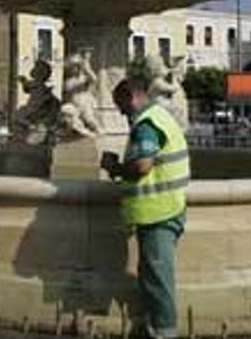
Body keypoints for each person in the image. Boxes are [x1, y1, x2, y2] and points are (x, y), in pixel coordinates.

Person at [101, 75, 190, 339]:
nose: (120, 111)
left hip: (158, 211)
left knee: (158, 276)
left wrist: (114, 168)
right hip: (165, 207)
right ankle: (154, 326)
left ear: (133, 97)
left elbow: (142, 166)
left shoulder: (146, 124)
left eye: (121, 105)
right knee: (152, 273)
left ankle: (164, 331)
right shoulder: (159, 117)